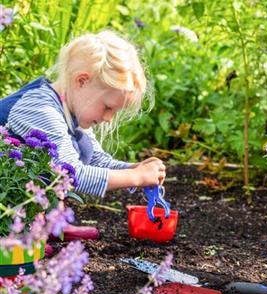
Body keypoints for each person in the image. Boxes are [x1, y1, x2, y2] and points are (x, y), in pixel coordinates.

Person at [0, 30, 166, 242]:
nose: (108, 118)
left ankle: (52, 223)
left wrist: (133, 169)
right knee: (57, 167)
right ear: (82, 81)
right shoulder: (40, 109)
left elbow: (97, 160)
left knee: (82, 148)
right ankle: (18, 232)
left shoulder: (69, 108)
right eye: (107, 107)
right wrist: (136, 177)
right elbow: (73, 173)